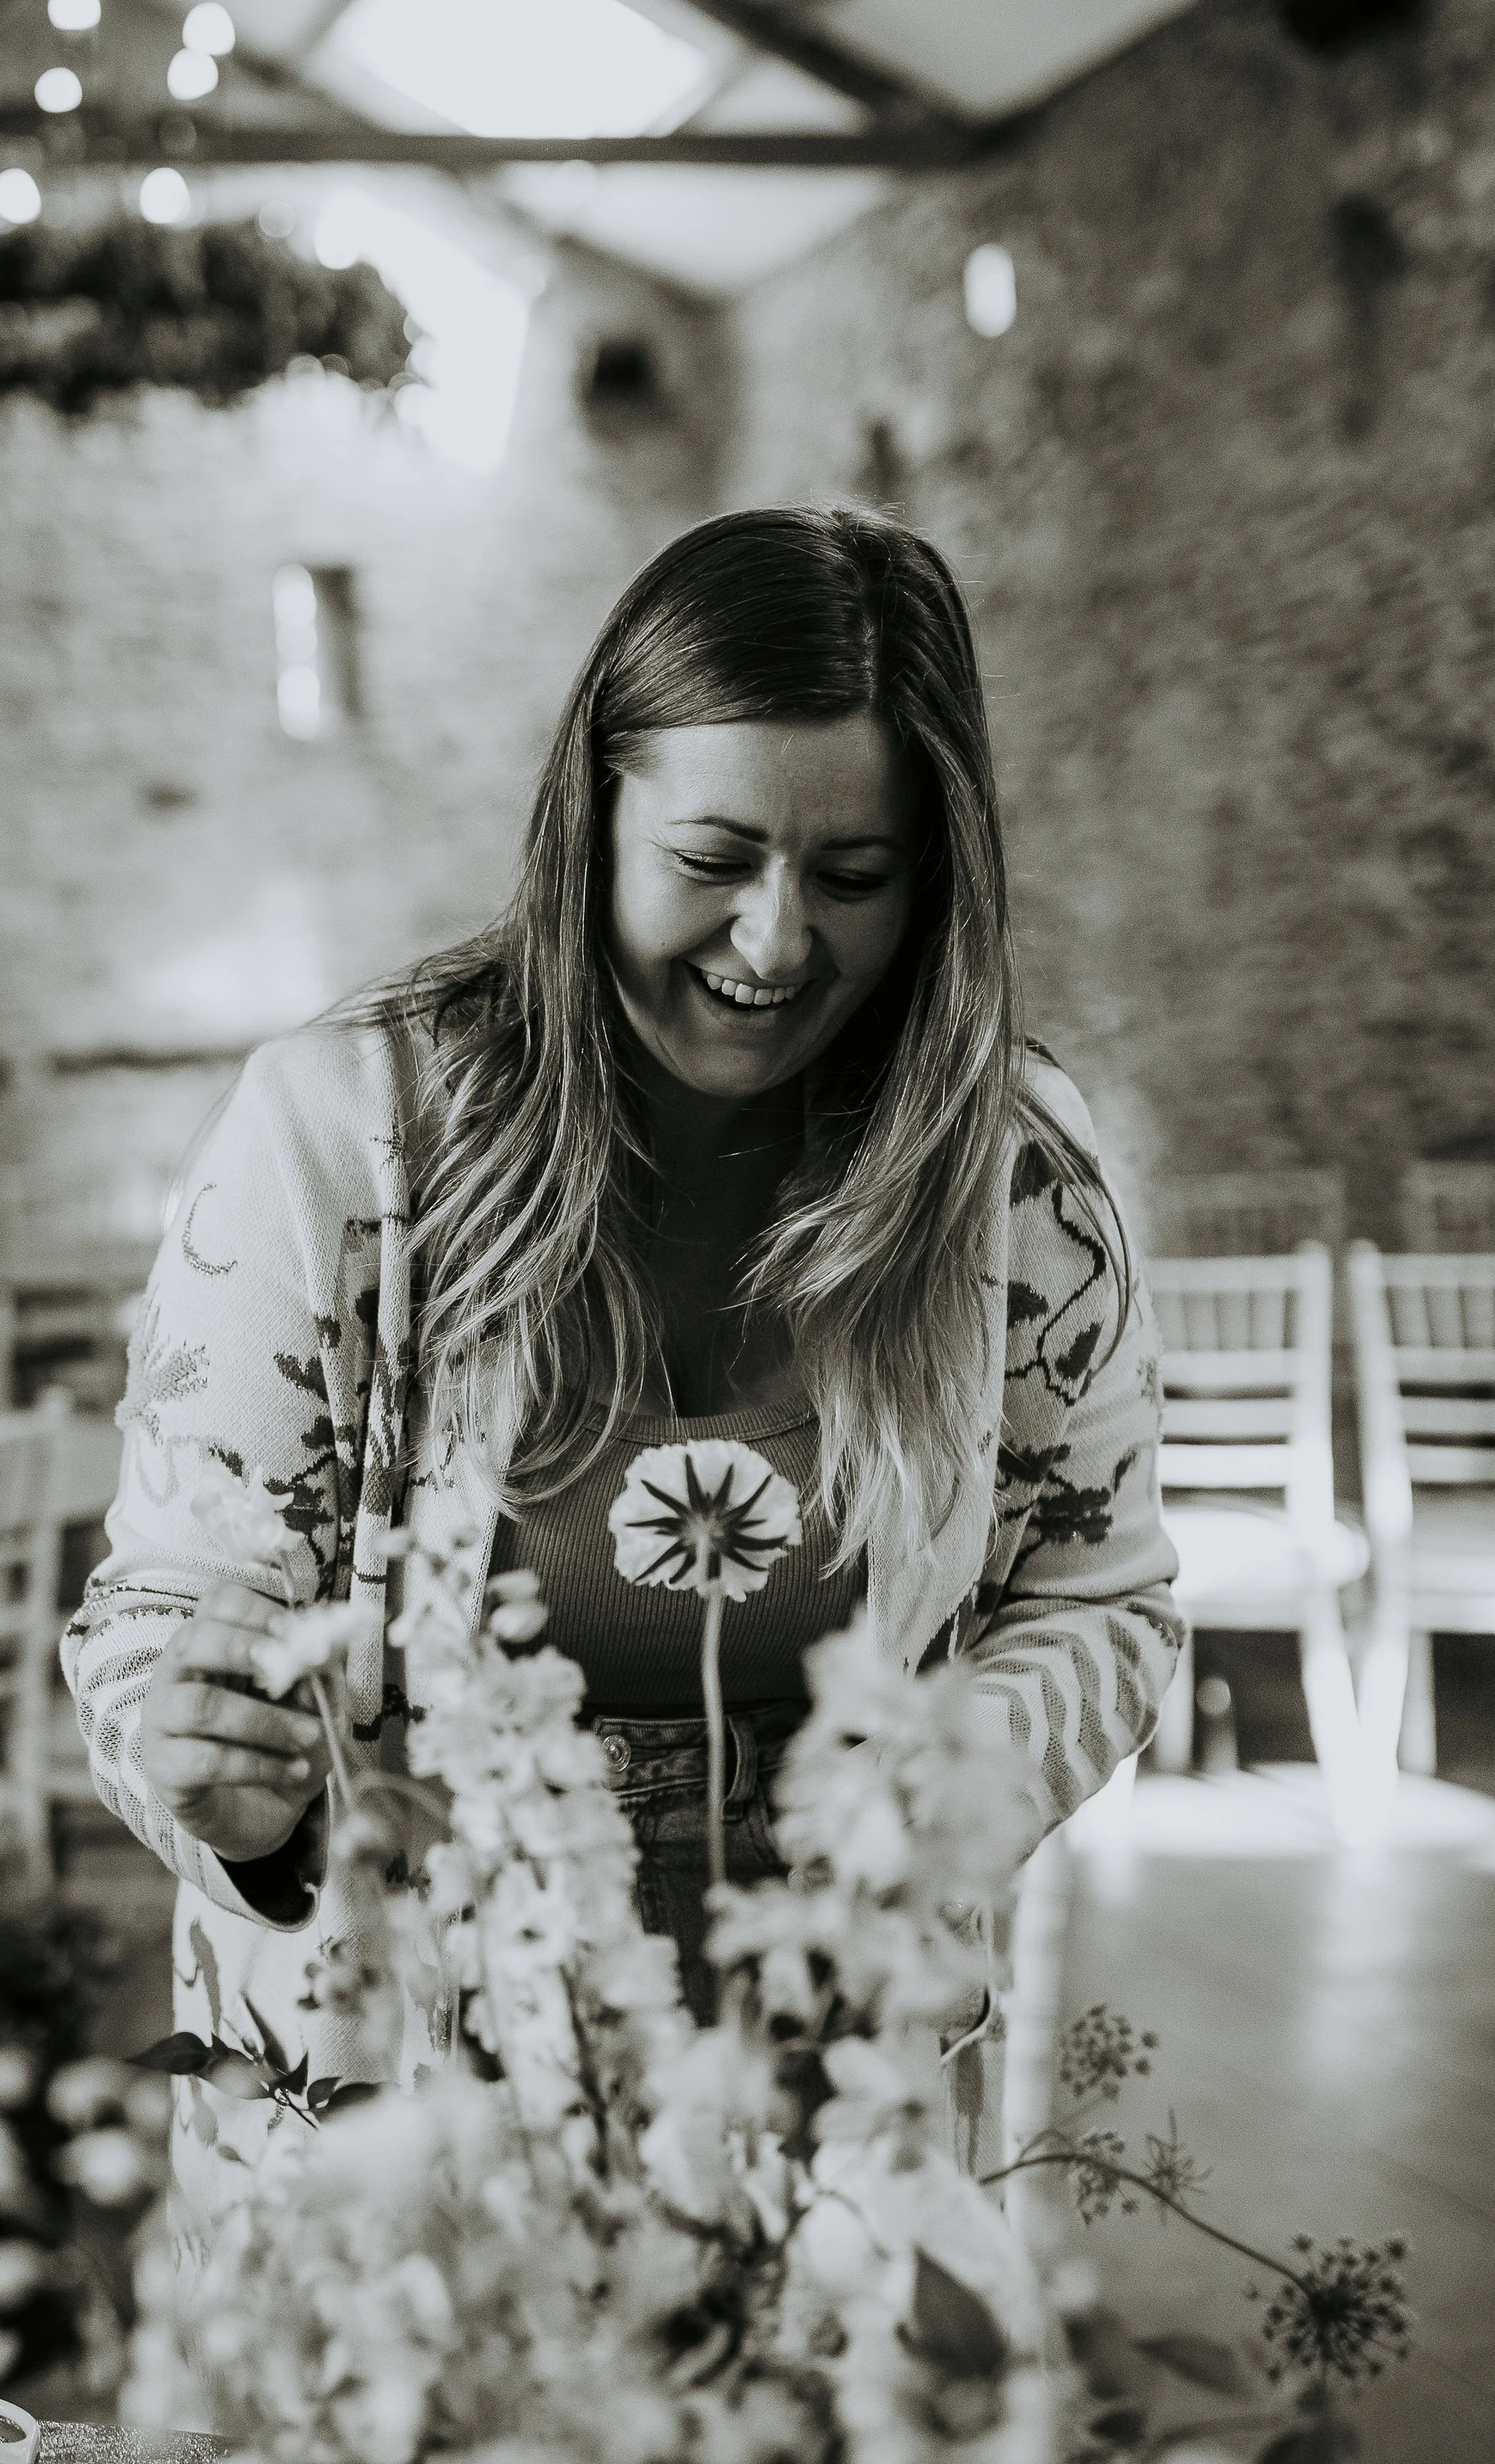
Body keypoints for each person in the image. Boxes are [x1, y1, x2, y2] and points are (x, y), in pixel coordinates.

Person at [63, 505, 1182, 2237]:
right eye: (712, 858)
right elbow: (160, 1612)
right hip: (394, 2128)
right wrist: (206, 1773)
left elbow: (1101, 1600)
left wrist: (947, 1780)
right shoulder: (340, 1133)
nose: (775, 942)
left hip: (830, 2110)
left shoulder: (1013, 1168)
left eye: (854, 876)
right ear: (589, 820)